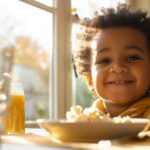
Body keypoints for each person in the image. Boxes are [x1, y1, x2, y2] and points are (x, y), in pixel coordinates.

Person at [73, 3, 150, 118]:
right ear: (89, 79)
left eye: (132, 58)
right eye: (104, 61)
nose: (118, 67)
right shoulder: (84, 122)